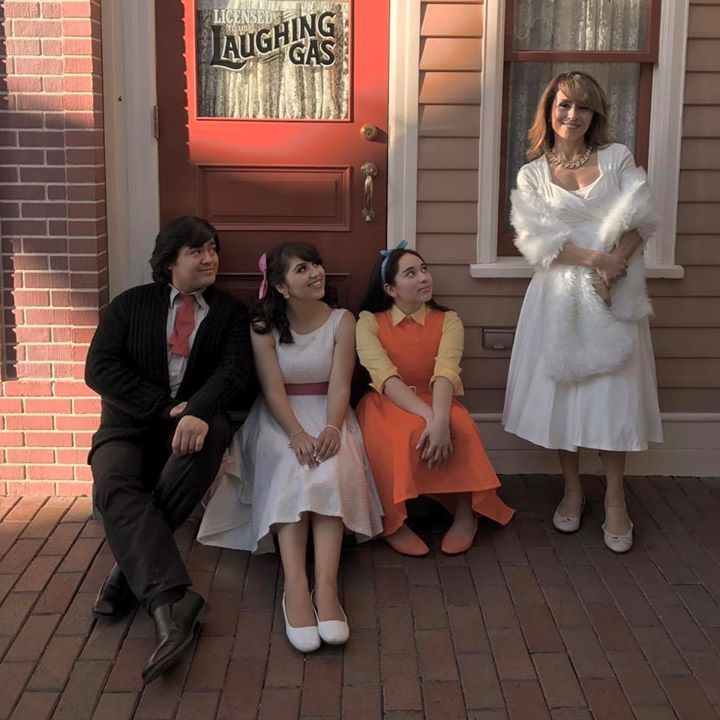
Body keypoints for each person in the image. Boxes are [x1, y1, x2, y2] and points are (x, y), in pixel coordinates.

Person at [85, 216, 251, 683]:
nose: (210, 257)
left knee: (209, 434)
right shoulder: (129, 306)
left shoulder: (229, 313)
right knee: (113, 485)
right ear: (170, 259)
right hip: (129, 427)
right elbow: (100, 369)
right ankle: (171, 608)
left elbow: (236, 371)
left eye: (213, 248)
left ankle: (125, 572)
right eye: (197, 250)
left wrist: (196, 409)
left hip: (197, 424)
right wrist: (164, 409)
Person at [503, 71, 663, 553]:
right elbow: (537, 242)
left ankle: (615, 498)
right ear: (549, 109)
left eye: (583, 108)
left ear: (596, 116)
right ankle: (572, 490)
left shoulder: (616, 158)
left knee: (612, 396)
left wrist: (615, 267)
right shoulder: (531, 174)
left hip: (615, 292)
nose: (572, 116)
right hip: (558, 296)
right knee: (564, 397)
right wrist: (596, 259)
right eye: (564, 106)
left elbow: (642, 220)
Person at [197, 242, 383, 653]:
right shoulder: (262, 326)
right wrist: (296, 434)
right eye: (302, 269)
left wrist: (333, 426)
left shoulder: (342, 321)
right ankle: (296, 585)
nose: (316, 273)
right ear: (281, 287)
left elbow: (339, 383)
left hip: (329, 411)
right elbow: (272, 389)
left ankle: (327, 587)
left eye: (317, 264)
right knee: (292, 467)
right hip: (280, 417)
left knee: (330, 467)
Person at [355, 242, 515, 557]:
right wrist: (428, 419)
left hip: (436, 395)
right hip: (388, 398)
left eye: (424, 270)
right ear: (390, 288)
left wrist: (440, 419)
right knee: (399, 434)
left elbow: (445, 372)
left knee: (460, 426)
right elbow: (385, 377)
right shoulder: (369, 322)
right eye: (411, 274)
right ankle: (394, 521)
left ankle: (467, 512)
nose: (424, 278)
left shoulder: (448, 320)